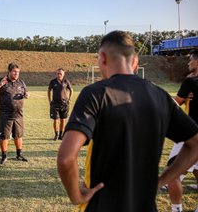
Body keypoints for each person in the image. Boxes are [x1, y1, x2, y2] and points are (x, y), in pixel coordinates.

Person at [57, 30, 198, 212]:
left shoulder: (95, 93)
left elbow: (66, 158)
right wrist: (161, 180)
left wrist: (76, 195)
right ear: (134, 62)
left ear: (102, 57)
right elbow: (195, 144)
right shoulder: (160, 96)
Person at [167, 49, 198, 212]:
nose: (188, 63)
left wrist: (161, 100)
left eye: (191, 60)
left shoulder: (190, 81)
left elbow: (174, 104)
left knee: (172, 174)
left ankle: (176, 210)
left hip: (191, 134)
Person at [0, 62, 29, 164]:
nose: (16, 74)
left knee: (18, 135)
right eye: (14, 72)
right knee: (4, 136)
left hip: (18, 115)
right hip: (5, 115)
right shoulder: (2, 80)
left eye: (18, 72)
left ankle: (19, 154)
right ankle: (4, 156)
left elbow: (26, 93)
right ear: (9, 71)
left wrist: (26, 95)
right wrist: (0, 84)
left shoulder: (21, 82)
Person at [47, 68, 73, 140]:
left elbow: (71, 90)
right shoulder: (53, 82)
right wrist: (50, 101)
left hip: (64, 104)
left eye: (60, 73)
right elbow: (49, 91)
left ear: (63, 74)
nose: (59, 75)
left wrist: (70, 99)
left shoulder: (66, 81)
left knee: (63, 120)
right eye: (57, 73)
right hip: (55, 104)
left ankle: (61, 135)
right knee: (55, 120)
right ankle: (56, 135)